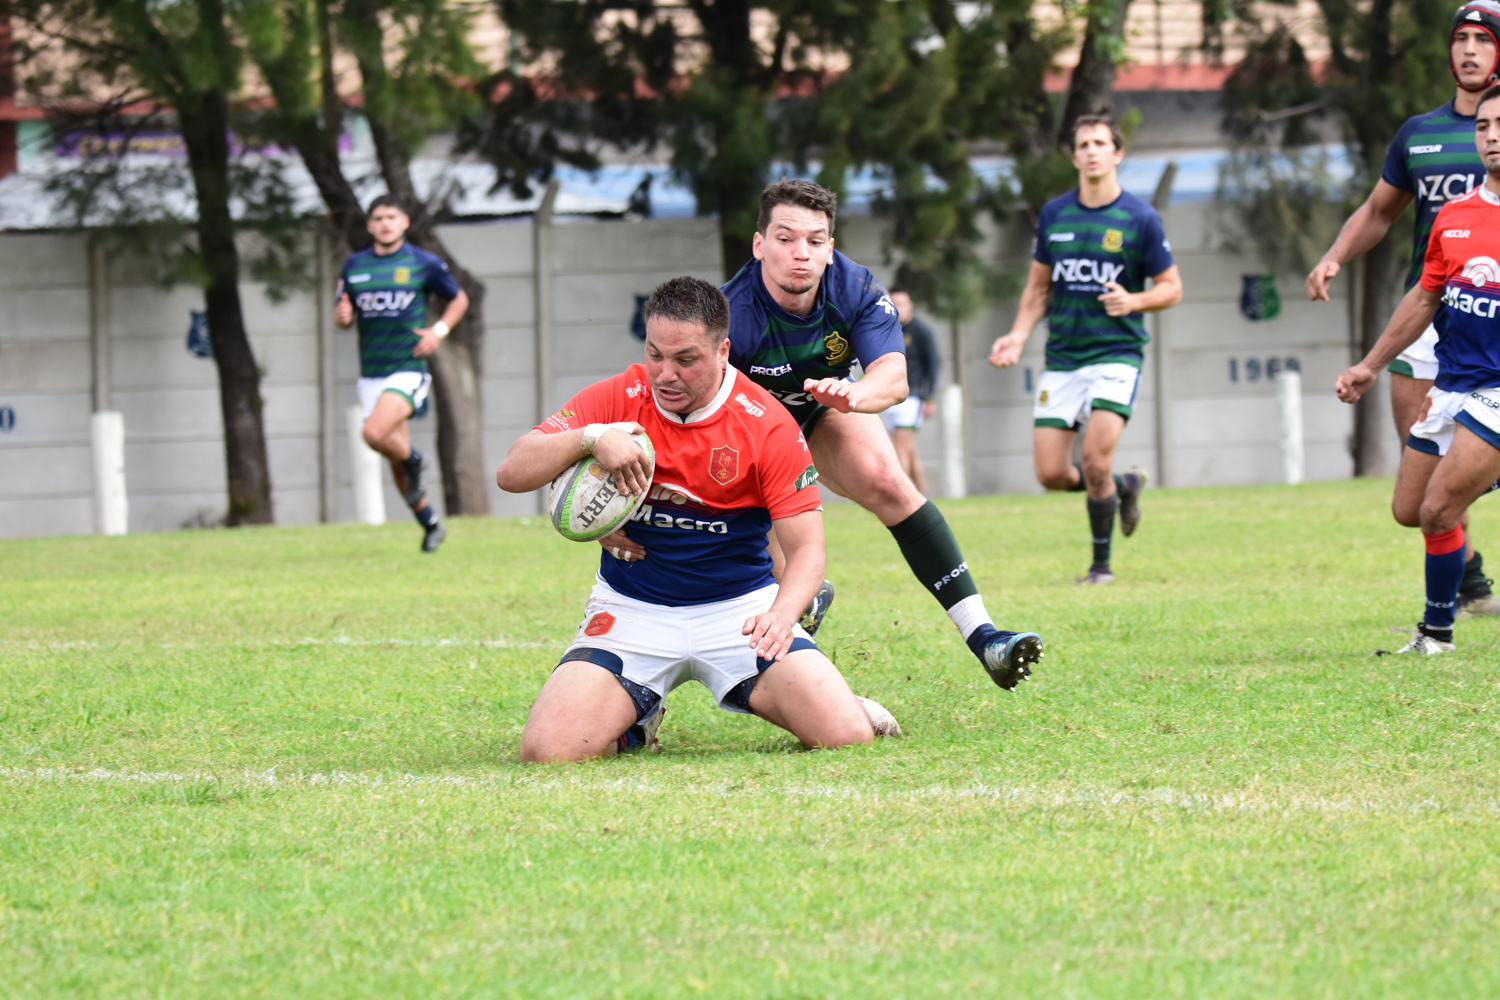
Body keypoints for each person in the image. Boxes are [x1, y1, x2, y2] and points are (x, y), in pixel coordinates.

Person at [496, 277, 893, 760]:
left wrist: (782, 617)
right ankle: (635, 721)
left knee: (845, 735)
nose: (665, 374)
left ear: (723, 351)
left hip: (740, 611)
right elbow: (512, 471)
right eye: (655, 354)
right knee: (547, 752)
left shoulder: (765, 421)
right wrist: (589, 439)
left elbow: (808, 551)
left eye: (686, 360)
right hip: (633, 609)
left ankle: (833, 698)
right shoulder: (618, 397)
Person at [691, 180, 1041, 690]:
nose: (801, 253)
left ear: (830, 249)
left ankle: (985, 637)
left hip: (824, 411)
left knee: (889, 482)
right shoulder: (729, 317)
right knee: (753, 539)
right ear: (759, 244)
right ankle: (791, 617)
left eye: (815, 240)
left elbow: (893, 378)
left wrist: (855, 396)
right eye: (786, 238)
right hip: (750, 432)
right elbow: (692, 415)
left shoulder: (854, 288)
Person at [1307, 1, 1500, 618]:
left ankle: (1463, 596)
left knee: (1456, 474)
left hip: (1488, 321)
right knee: (1418, 487)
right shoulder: (1420, 134)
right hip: (1428, 316)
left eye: (1483, 40)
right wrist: (1335, 254)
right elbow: (1378, 212)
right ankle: (1465, 574)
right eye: (1460, 39)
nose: (1469, 50)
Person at [988, 114, 1183, 584]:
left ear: (1117, 153)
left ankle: (1101, 568)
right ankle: (1123, 487)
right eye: (1083, 144)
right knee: (1051, 473)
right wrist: (1017, 335)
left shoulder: (1139, 217)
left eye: (1101, 142)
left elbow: (1172, 288)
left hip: (1117, 355)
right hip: (1063, 360)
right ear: (1074, 157)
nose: (1092, 150)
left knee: (1095, 459)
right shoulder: (1056, 214)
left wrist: (1133, 300)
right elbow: (1037, 290)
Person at [335, 195, 469, 553]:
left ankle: (415, 459)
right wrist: (343, 317)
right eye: (378, 218)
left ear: (404, 222)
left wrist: (437, 332)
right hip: (371, 374)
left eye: (391, 217)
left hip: (407, 369)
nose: (385, 223)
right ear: (369, 225)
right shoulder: (354, 266)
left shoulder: (421, 263)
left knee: (374, 433)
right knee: (393, 457)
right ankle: (430, 525)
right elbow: (341, 313)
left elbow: (458, 299)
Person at [881, 288, 940, 496]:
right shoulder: (886, 330)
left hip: (911, 397)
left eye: (902, 304)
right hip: (888, 397)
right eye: (894, 304)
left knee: (901, 448)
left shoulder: (921, 331)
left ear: (910, 305)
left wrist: (930, 396)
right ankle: (923, 492)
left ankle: (901, 495)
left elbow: (933, 364)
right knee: (909, 448)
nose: (898, 309)